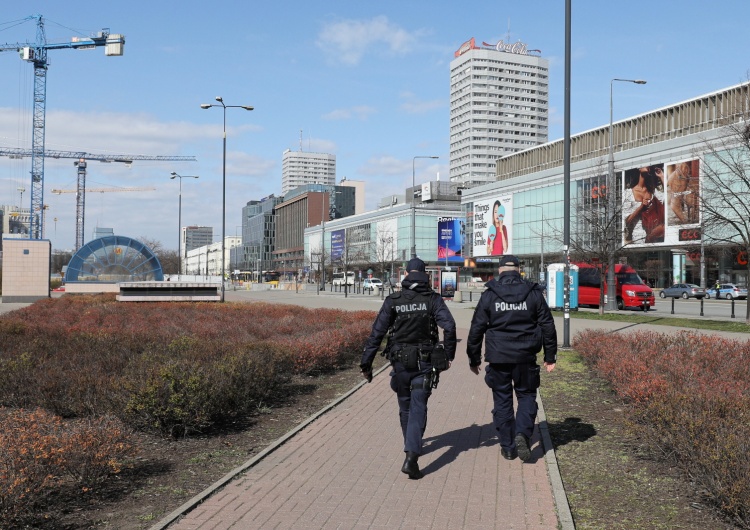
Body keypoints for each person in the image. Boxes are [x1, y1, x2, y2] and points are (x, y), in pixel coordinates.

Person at [360, 258, 457, 479]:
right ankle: (411, 455)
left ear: (405, 273)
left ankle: (410, 447)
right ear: (425, 274)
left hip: (400, 362)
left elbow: (377, 334)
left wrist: (366, 364)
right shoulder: (433, 299)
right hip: (425, 362)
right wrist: (448, 355)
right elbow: (449, 326)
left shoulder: (393, 300)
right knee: (419, 406)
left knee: (405, 407)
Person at [466, 255, 557, 462]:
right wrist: (550, 356)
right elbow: (547, 325)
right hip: (526, 356)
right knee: (526, 396)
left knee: (502, 400)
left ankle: (508, 447)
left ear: (500, 270)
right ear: (519, 270)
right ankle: (522, 434)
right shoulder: (533, 293)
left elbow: (476, 328)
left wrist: (474, 358)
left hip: (498, 357)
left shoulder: (490, 295)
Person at [624, 166, 665, 244]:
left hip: (653, 230)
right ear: (639, 168)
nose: (648, 166)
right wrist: (641, 207)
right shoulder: (629, 193)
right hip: (638, 234)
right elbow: (627, 221)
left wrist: (661, 176)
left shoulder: (652, 191)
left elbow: (666, 198)